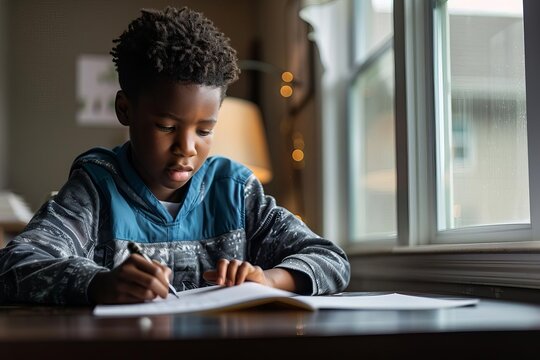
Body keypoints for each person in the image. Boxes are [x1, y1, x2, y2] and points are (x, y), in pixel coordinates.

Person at [0, 6, 350, 305]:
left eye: (204, 130)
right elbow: (14, 264)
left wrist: (269, 282)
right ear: (125, 109)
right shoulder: (96, 188)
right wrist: (99, 283)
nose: (187, 148)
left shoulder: (235, 191)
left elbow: (331, 259)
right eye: (166, 127)